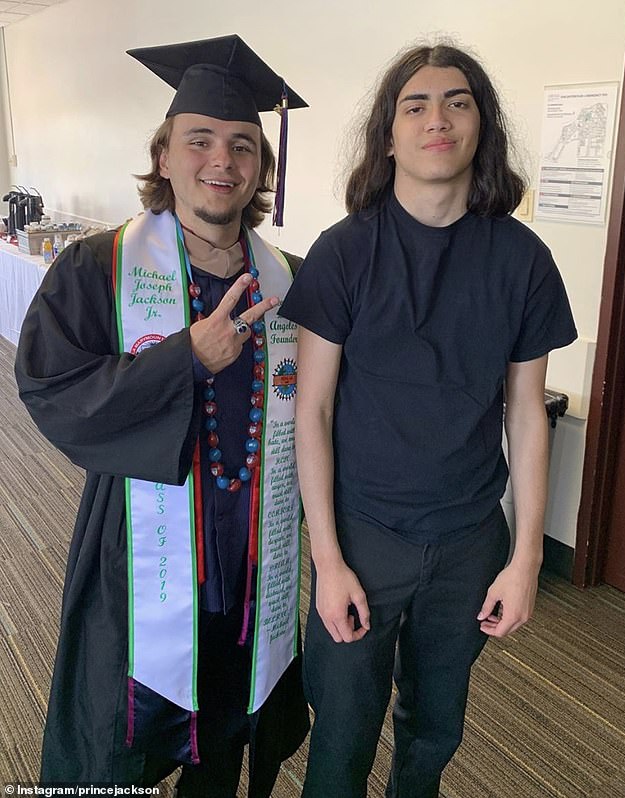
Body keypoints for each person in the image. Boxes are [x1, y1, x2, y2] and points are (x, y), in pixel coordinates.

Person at [279, 42, 577, 798]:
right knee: (341, 733)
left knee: (435, 729)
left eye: (457, 102)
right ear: (388, 134)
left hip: (471, 540)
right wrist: (329, 560)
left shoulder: (524, 261)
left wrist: (528, 559)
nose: (436, 119)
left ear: (483, 126)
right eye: (415, 105)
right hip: (363, 537)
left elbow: (526, 414)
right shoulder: (343, 254)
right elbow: (309, 410)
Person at [15, 34, 309, 796]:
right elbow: (50, 385)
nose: (223, 161)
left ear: (260, 169)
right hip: (138, 554)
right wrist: (185, 357)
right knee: (119, 746)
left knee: (223, 740)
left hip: (255, 557)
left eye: (243, 146)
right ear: (166, 155)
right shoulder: (98, 267)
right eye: (200, 140)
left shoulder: (291, 283)